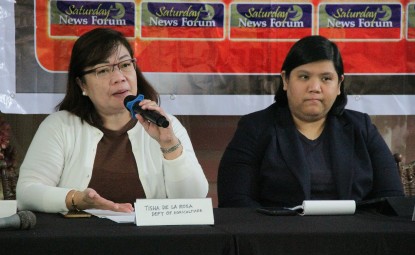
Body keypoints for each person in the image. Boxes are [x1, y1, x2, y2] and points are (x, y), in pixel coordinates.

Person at [16, 28, 208, 213]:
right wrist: (76, 199)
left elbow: (193, 201)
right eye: (103, 70)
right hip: (79, 241)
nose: (119, 78)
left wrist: (169, 144)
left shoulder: (166, 124)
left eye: (125, 65)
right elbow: (27, 192)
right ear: (82, 84)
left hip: (151, 242)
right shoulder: (59, 126)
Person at [217, 35, 404, 208]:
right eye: (304, 77)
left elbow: (392, 198)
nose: (314, 88)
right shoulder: (254, 128)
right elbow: (235, 201)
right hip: (278, 239)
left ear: (339, 84)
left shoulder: (361, 127)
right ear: (285, 80)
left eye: (326, 78)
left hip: (352, 238)